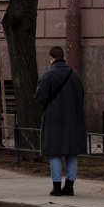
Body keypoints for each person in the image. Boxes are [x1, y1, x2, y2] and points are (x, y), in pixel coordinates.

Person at [36, 46, 87, 197]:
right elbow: (81, 95)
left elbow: (39, 98)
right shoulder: (75, 75)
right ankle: (70, 187)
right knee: (72, 153)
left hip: (54, 118)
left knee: (54, 152)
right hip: (73, 119)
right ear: (63, 56)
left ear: (51, 57)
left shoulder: (48, 75)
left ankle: (56, 187)